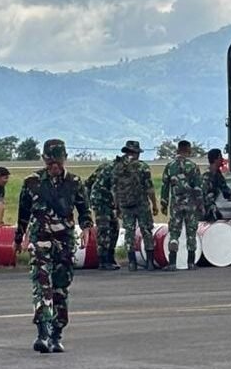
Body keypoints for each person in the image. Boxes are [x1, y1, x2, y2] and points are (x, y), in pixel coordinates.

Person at [14, 139, 93, 353]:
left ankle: (57, 333)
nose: (53, 166)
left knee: (60, 287)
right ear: (44, 160)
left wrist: (86, 230)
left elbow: (84, 210)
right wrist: (18, 237)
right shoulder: (32, 182)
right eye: (49, 162)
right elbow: (23, 212)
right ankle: (42, 332)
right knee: (41, 285)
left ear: (64, 159)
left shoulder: (75, 182)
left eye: (57, 162)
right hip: (40, 239)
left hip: (64, 241)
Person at [112, 140, 159, 271]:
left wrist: (117, 206)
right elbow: (149, 189)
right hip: (141, 204)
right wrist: (154, 205)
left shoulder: (117, 167)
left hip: (125, 205)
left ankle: (132, 263)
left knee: (129, 232)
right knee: (146, 230)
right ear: (136, 153)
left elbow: (115, 189)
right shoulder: (142, 167)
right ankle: (149, 262)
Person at [160, 140, 203, 271]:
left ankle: (172, 261)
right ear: (188, 150)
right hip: (190, 204)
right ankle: (191, 262)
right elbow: (198, 188)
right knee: (191, 231)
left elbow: (164, 186)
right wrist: (200, 204)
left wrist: (164, 202)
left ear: (178, 150)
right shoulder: (193, 166)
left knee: (174, 230)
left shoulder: (170, 166)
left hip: (176, 204)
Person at [85, 155, 122, 271]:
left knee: (115, 227)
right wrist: (118, 208)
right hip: (101, 202)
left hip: (105, 202)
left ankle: (110, 257)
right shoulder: (114, 171)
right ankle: (103, 260)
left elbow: (88, 182)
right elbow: (116, 191)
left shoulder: (105, 166)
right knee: (104, 229)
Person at [201, 148, 231, 222]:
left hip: (211, 206)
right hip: (205, 209)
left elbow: (226, 192)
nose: (222, 159)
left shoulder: (218, 175)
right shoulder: (206, 176)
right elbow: (203, 196)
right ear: (215, 159)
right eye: (220, 157)